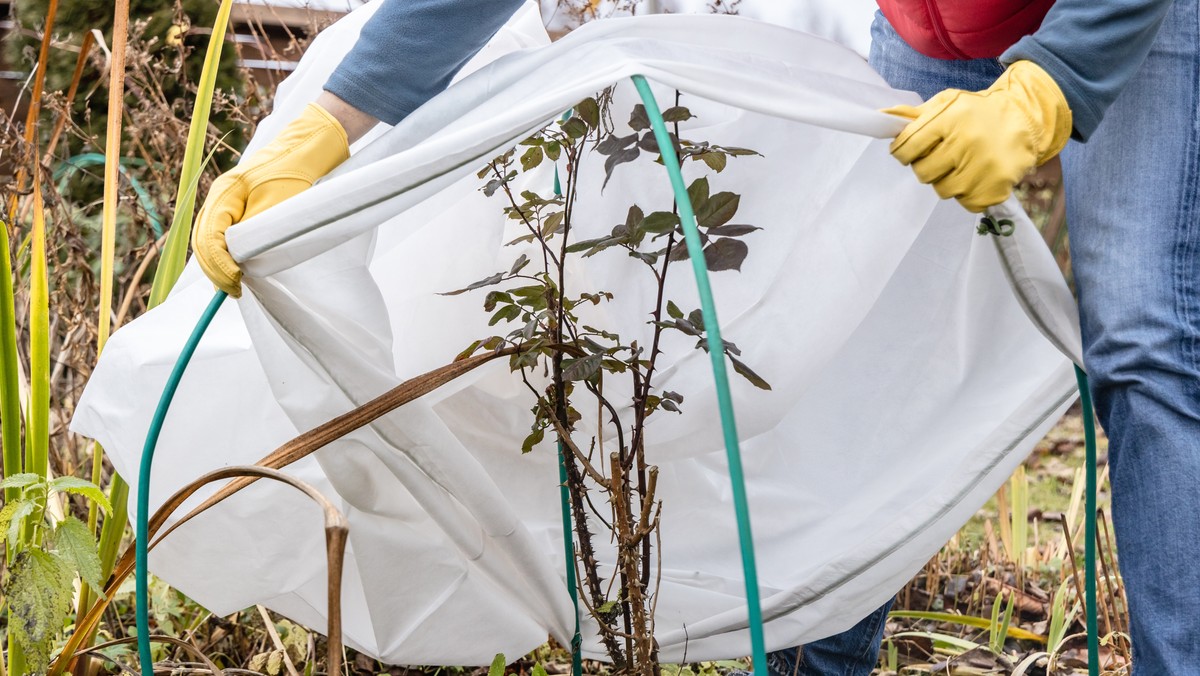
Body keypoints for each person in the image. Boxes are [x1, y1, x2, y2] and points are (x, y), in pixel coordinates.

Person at [192, 0, 1199, 673]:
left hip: (1130, 20)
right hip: (929, 18)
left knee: (1144, 337)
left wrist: (1051, 83)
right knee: (856, 335)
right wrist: (323, 128)